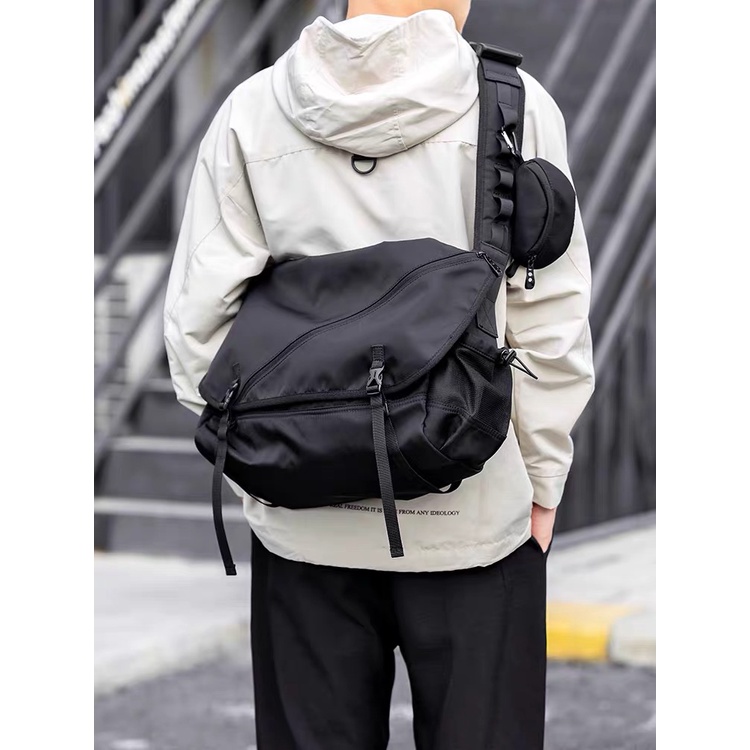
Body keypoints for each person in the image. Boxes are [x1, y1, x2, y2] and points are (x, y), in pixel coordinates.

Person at [164, 1, 595, 747]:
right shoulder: (514, 105)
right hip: (473, 514)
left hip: (303, 526)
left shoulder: (254, 109)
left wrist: (273, 465)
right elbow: (548, 318)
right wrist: (544, 476)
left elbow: (199, 327)